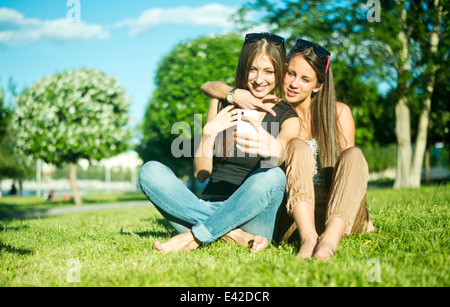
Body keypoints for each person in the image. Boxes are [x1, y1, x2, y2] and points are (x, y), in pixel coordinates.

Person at [201, 39, 376, 260]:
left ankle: (329, 241)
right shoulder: (275, 111)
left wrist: (363, 213)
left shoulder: (339, 113)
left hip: (336, 213)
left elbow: (350, 175)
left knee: (354, 154)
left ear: (318, 85)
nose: (294, 84)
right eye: (290, 74)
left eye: (305, 79)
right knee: (296, 145)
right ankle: (309, 238)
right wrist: (234, 93)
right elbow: (209, 86)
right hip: (295, 216)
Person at [138, 33, 300, 253]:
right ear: (243, 67)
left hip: (252, 215)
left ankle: (196, 233)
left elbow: (282, 156)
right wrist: (208, 133)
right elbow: (201, 175)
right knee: (150, 171)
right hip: (208, 204)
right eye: (253, 69)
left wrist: (270, 148)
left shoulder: (288, 117)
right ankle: (232, 235)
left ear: (280, 69)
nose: (259, 79)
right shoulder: (222, 103)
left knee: (274, 175)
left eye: (268, 71)